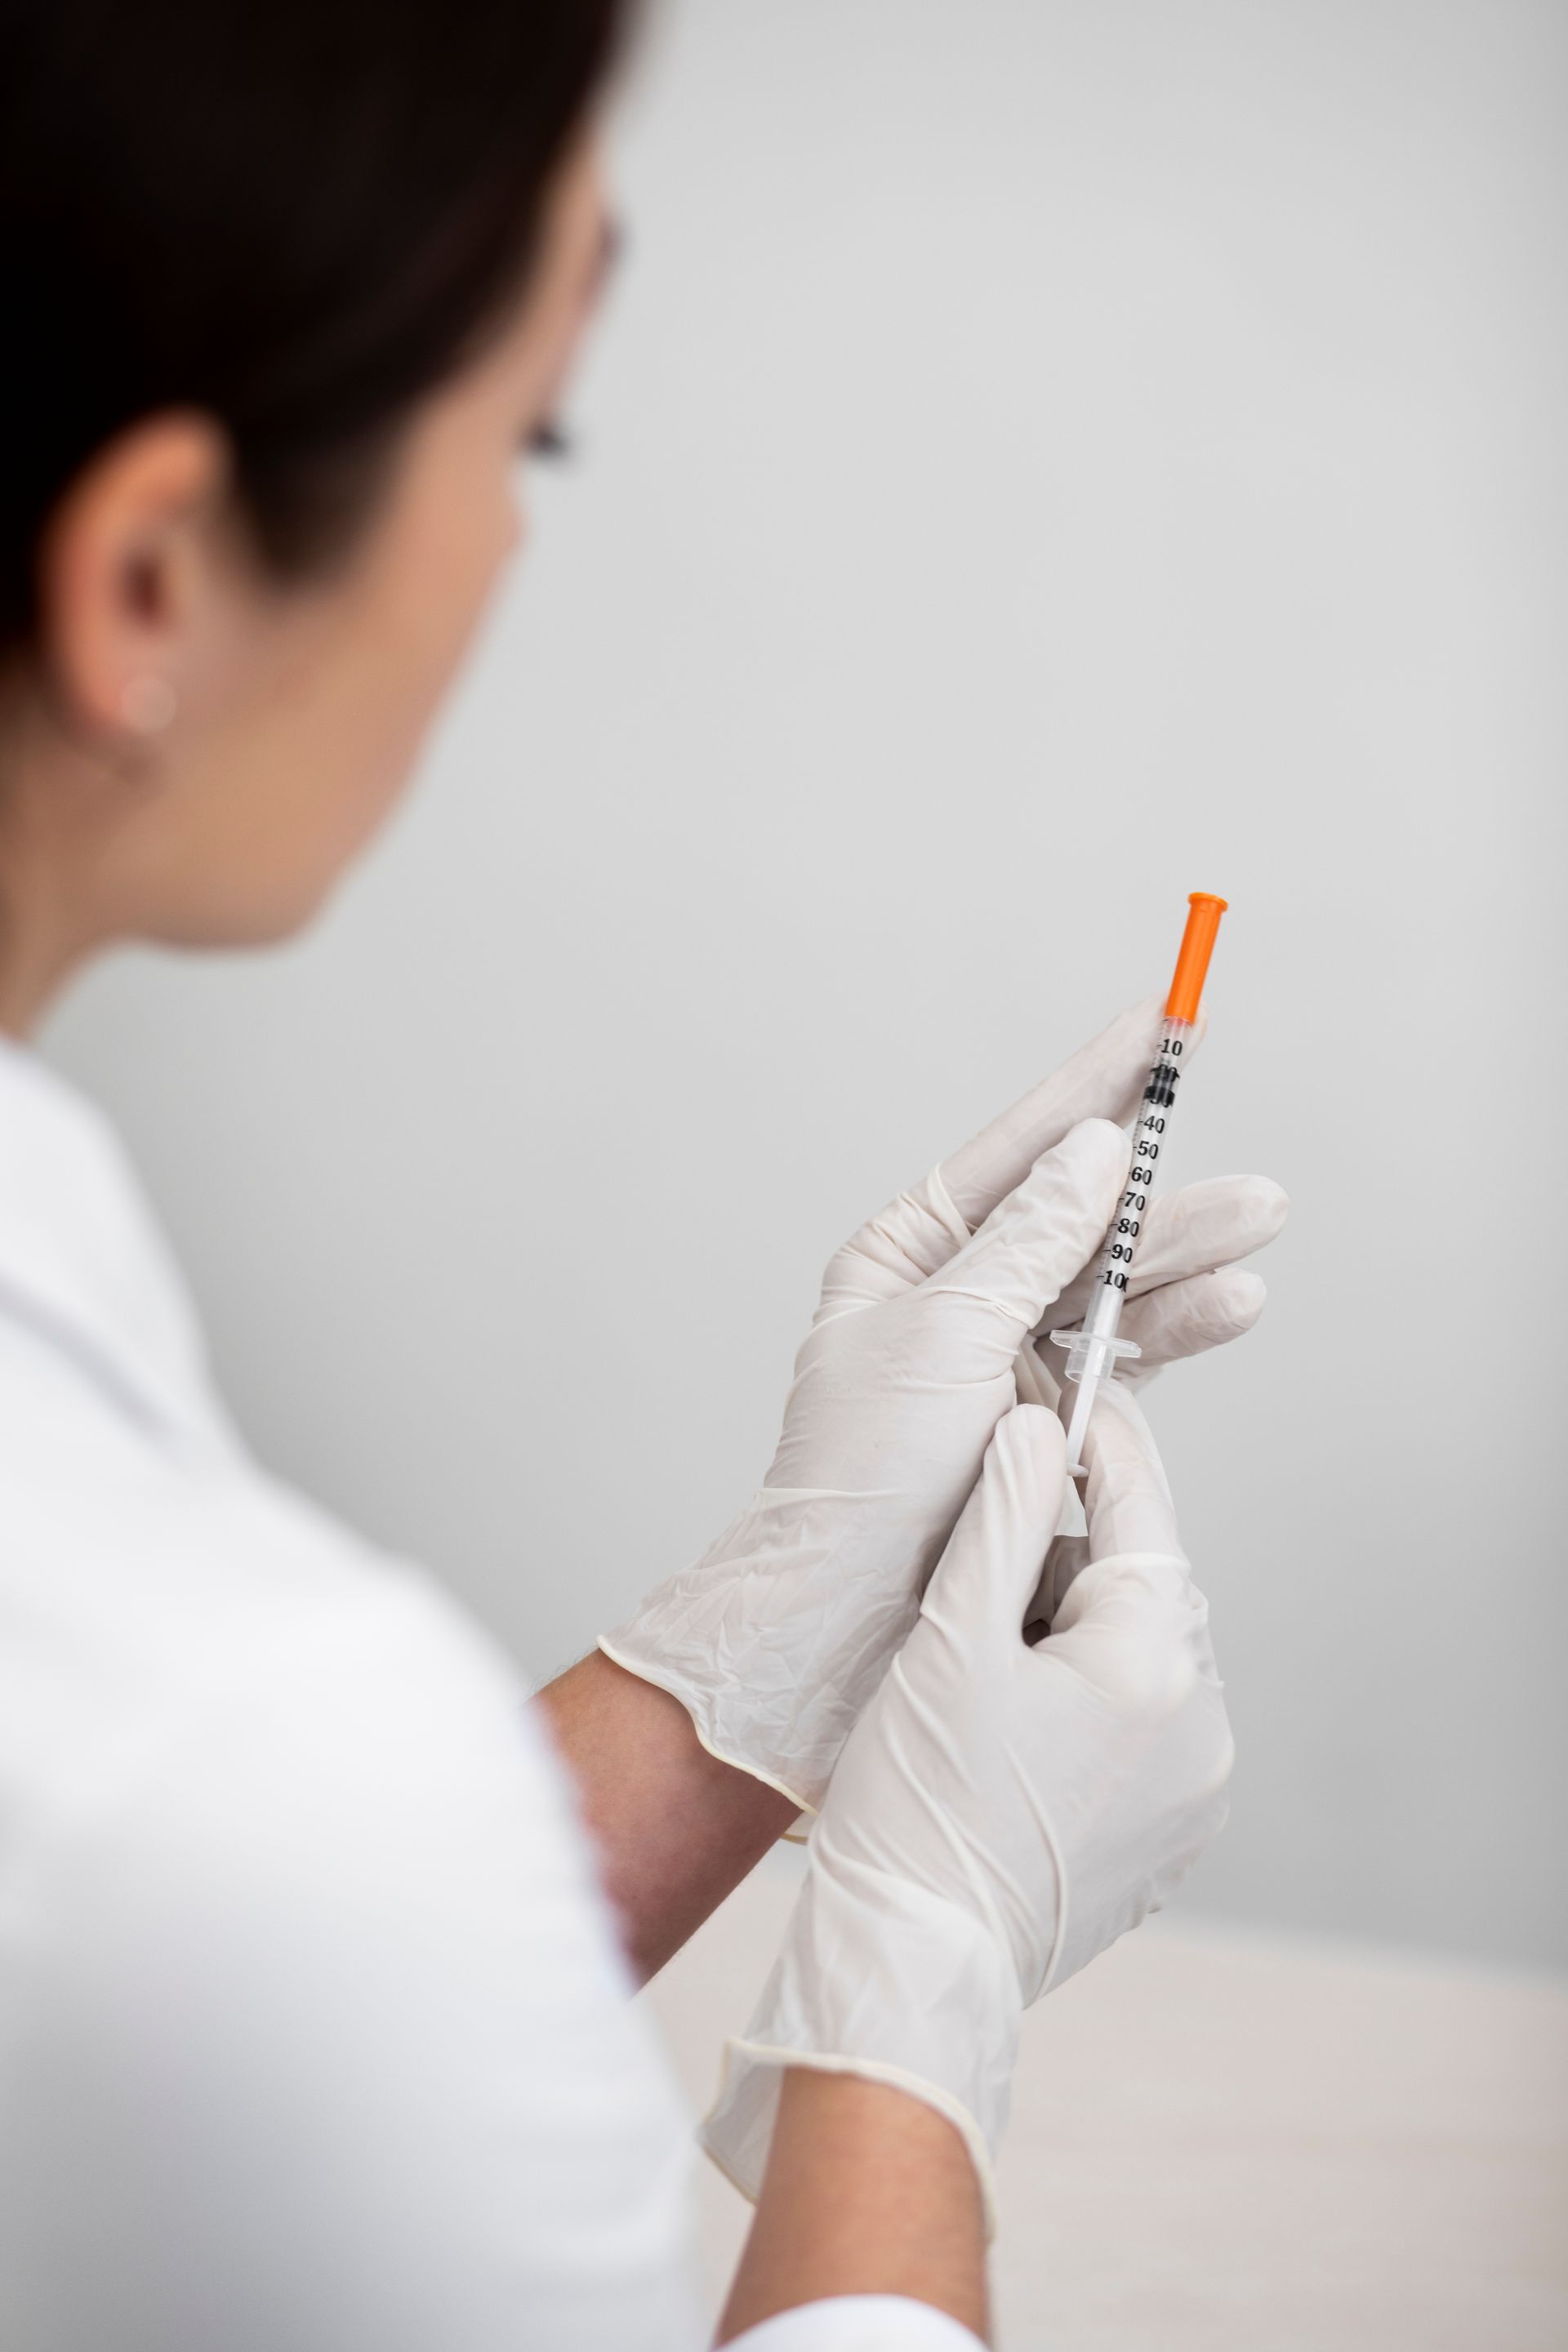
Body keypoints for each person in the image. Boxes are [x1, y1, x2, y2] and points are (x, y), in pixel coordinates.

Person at [0, 2, 1287, 2345]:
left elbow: (254, 2008)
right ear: (152, 581)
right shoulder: (208, 1734)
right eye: (535, 433)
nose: (509, 542)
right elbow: (222, 1882)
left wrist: (768, 1648)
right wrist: (919, 1990)